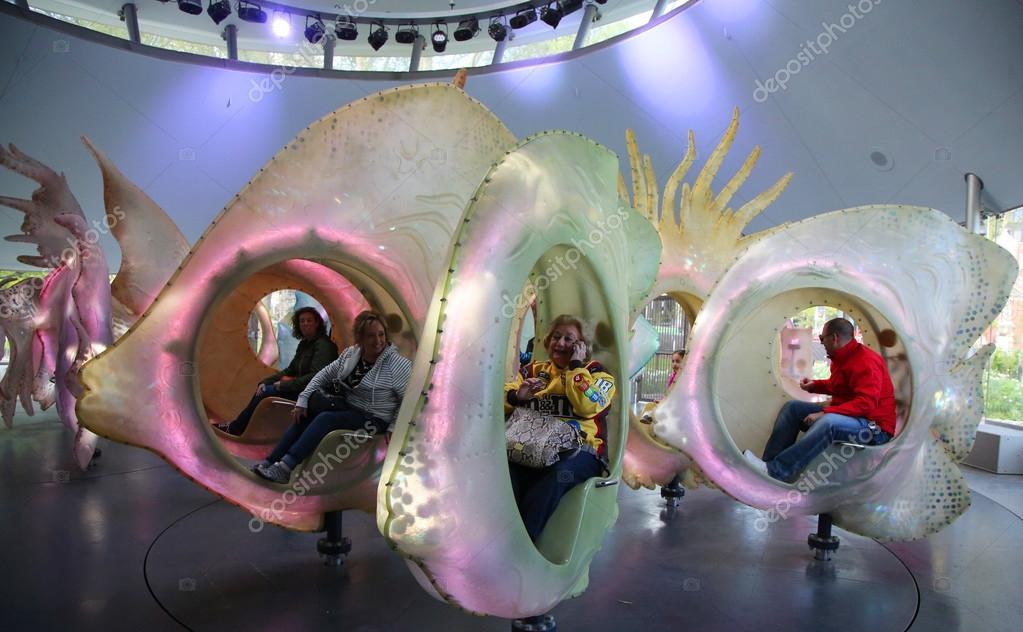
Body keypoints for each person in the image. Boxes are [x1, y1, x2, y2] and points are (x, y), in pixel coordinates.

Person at [255, 311, 412, 483]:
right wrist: (303, 399)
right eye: (371, 336)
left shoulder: (397, 365)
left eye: (381, 335)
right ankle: (270, 461)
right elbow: (323, 375)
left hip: (374, 418)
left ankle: (285, 467)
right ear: (360, 338)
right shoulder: (352, 354)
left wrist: (394, 427)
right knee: (306, 413)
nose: (378, 341)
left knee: (326, 419)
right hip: (351, 408)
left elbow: (408, 399)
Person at [504, 314, 616, 541]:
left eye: (569, 339)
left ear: (581, 346)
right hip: (531, 449)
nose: (560, 343)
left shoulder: (598, 374)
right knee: (503, 471)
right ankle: (499, 537)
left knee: (557, 475)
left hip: (580, 453)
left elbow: (588, 405)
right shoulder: (532, 371)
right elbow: (501, 397)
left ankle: (522, 544)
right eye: (556, 337)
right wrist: (518, 396)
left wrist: (575, 367)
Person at [745, 317, 896, 482]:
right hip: (855, 417)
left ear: (835, 338)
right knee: (792, 408)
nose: (821, 342)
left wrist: (824, 413)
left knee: (828, 422)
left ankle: (777, 471)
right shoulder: (842, 358)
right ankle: (767, 468)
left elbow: (866, 403)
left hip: (874, 429)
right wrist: (814, 385)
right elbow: (840, 386)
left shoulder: (866, 362)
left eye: (822, 338)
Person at [217, 307, 337, 436]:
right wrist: (266, 381)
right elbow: (291, 369)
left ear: (317, 323)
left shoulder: (324, 346)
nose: (305, 324)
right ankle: (238, 427)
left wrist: (284, 385)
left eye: (309, 320)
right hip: (301, 388)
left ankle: (235, 428)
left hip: (311, 393)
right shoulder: (305, 344)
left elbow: (316, 377)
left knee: (266, 392)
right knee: (263, 388)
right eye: (302, 321)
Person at [640, 349, 685, 424]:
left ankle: (650, 416)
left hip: (676, 406)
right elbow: (669, 392)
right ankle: (648, 416)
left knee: (656, 409)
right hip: (669, 403)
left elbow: (677, 396)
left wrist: (664, 402)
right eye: (673, 361)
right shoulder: (673, 376)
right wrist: (662, 400)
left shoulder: (683, 378)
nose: (674, 364)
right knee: (650, 405)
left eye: (677, 361)